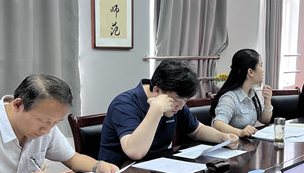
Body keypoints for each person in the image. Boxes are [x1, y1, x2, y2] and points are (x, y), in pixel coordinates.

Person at [99, 60, 238, 166]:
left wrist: (223, 138)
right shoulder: (124, 104)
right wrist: (156, 110)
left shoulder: (176, 104)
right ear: (156, 91)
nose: (181, 106)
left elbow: (197, 130)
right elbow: (135, 152)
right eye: (176, 101)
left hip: (155, 169)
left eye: (185, 101)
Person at [211, 49, 273, 138]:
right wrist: (240, 132)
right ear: (250, 72)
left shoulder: (252, 93)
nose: (262, 71)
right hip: (230, 143)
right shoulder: (229, 98)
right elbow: (218, 124)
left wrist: (267, 101)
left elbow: (265, 120)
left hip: (245, 143)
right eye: (260, 66)